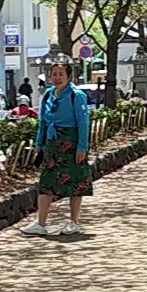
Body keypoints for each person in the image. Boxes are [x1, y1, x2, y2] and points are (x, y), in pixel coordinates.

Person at [21, 61, 93, 237]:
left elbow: (84, 123)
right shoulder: (47, 95)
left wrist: (82, 147)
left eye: (61, 74)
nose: (57, 77)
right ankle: (41, 223)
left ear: (69, 76)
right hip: (52, 143)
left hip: (71, 142)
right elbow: (43, 122)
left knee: (75, 182)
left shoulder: (77, 96)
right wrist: (39, 144)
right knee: (46, 183)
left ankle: (74, 222)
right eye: (54, 74)